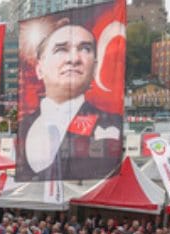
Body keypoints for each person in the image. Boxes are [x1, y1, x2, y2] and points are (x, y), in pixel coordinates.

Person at [15, 17, 122, 182]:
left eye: (85, 49)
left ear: (94, 67)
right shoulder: (22, 128)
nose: (73, 59)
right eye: (61, 49)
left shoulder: (113, 124)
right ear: (39, 69)